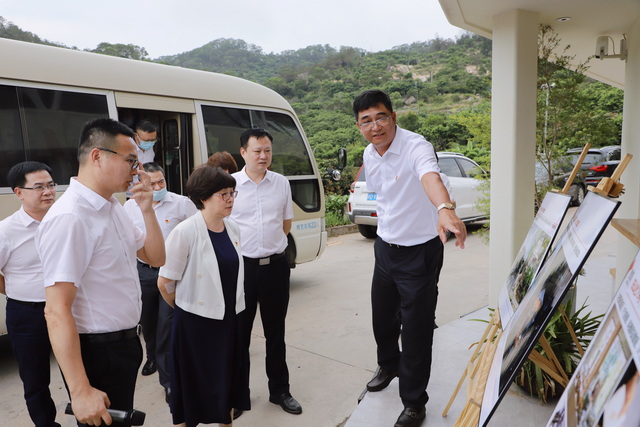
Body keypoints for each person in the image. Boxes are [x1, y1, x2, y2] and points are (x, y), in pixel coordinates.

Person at [36, 118, 166, 426]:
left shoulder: (112, 207)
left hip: (124, 345)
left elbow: (156, 257)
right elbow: (56, 310)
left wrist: (147, 209)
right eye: (131, 160)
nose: (137, 170)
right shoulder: (71, 217)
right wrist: (80, 391)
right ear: (97, 156)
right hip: (97, 351)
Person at [353, 90, 466, 427]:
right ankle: (389, 365)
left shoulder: (416, 146)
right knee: (382, 318)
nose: (375, 126)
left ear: (393, 117)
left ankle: (414, 402)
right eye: (366, 121)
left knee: (416, 330)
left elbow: (429, 176)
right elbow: (384, 195)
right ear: (359, 126)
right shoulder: (370, 153)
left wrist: (444, 208)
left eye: (381, 117)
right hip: (386, 248)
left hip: (419, 252)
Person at [157, 165, 250, 427]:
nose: (230, 199)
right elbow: (165, 283)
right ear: (203, 198)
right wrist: (186, 308)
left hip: (229, 320)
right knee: (193, 389)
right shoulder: (185, 232)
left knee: (227, 383)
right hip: (195, 324)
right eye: (223, 194)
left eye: (232, 193)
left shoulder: (233, 229)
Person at [230, 128, 302, 415]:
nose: (263, 156)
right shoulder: (231, 184)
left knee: (276, 332)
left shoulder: (281, 183)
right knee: (240, 336)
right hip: (242, 270)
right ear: (243, 152)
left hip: (275, 267)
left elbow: (285, 223)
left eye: (268, 150)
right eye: (257, 151)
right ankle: (238, 395)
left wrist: (270, 247)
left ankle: (280, 390)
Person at [123, 162, 197, 403]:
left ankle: (168, 381)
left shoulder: (181, 203)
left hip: (171, 274)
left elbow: (197, 234)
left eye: (160, 182)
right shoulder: (129, 207)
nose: (157, 187)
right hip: (143, 272)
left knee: (167, 325)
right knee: (148, 322)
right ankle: (152, 356)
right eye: (151, 183)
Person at [0, 162, 59, 427]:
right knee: (35, 380)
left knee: (79, 372)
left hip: (68, 308)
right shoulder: (6, 231)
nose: (48, 192)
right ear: (19, 192)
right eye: (39, 187)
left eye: (51, 185)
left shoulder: (64, 221)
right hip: (26, 314)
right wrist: (17, 290)